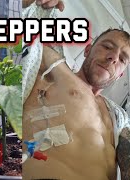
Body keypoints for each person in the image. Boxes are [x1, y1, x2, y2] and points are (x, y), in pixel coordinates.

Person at [22, 0, 130, 179]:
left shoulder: (119, 117)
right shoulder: (52, 69)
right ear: (87, 50)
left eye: (123, 59)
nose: (113, 57)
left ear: (120, 75)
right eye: (107, 47)